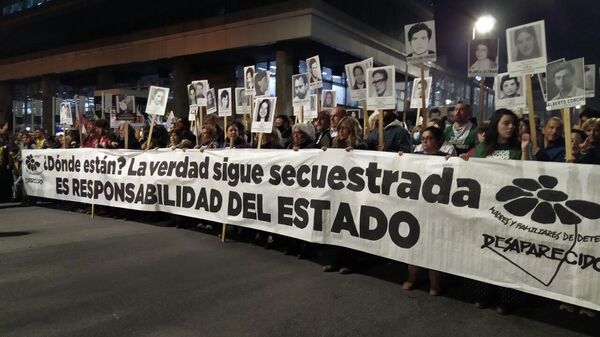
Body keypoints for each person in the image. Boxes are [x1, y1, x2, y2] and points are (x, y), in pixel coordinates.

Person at [461, 109, 531, 315]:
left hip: (510, 211)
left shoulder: (520, 148)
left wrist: (526, 149)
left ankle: (507, 299)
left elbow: (529, 175)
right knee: (483, 252)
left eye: (513, 124)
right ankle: (483, 294)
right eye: (506, 123)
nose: (511, 127)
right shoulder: (483, 148)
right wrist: (465, 160)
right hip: (485, 208)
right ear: (496, 125)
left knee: (506, 254)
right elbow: (471, 169)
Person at [401, 126, 447, 295]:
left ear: (438, 141)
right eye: (422, 139)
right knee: (413, 243)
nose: (425, 141)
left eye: (429, 138)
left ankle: (435, 283)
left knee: (433, 245)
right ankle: (412, 277)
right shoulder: (415, 157)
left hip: (436, 209)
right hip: (416, 207)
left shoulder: (446, 158)